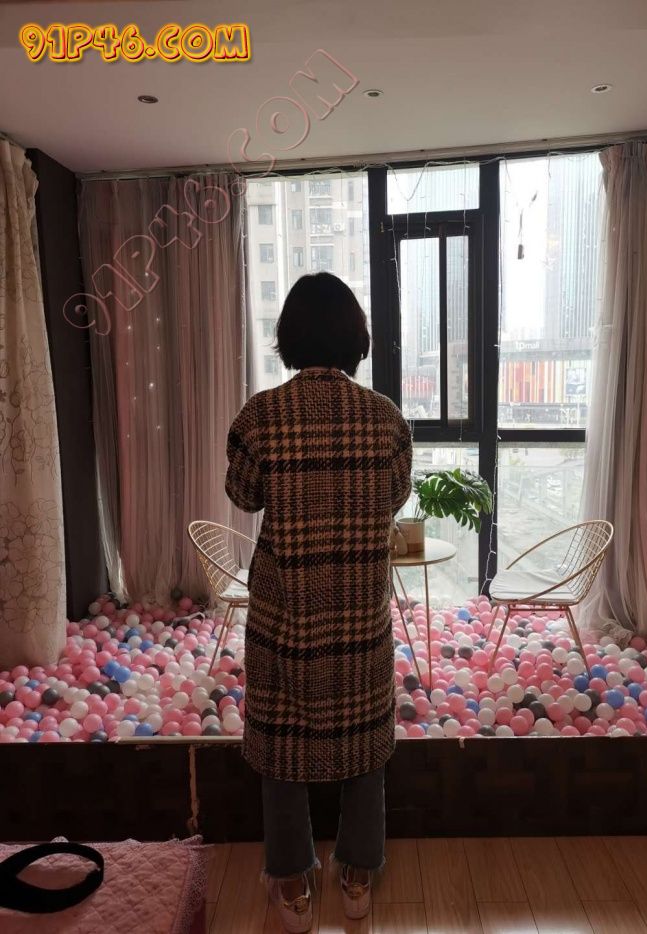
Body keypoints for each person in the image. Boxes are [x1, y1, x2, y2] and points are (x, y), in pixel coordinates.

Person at [225, 272, 412, 932]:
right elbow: (394, 498)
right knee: (366, 745)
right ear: (357, 338)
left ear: (290, 338)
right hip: (360, 616)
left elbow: (242, 495)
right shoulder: (386, 419)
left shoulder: (260, 415)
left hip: (287, 615)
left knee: (282, 749)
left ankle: (292, 883)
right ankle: (357, 876)